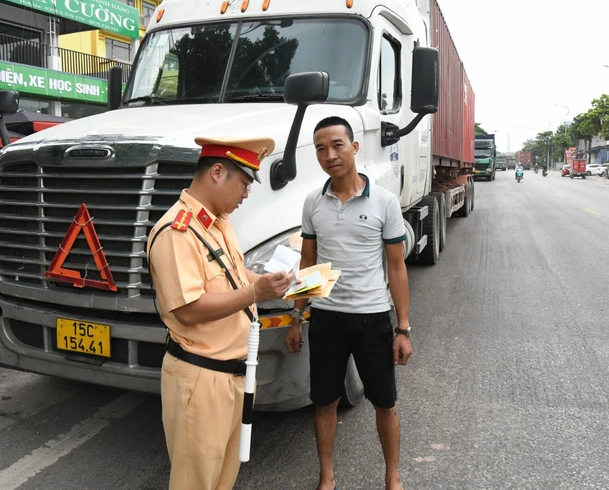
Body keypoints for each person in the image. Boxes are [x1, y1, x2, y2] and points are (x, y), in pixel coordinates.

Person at [148, 134, 295, 490]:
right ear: (217, 172)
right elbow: (189, 309)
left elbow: (231, 270)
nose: (247, 194)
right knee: (195, 482)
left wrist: (265, 281)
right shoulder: (177, 232)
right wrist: (255, 292)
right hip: (201, 380)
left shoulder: (216, 221)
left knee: (223, 479)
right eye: (244, 183)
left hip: (234, 375)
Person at [284, 116, 412, 490]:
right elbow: (309, 263)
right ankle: (326, 477)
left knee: (384, 403)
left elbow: (397, 267)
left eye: (337, 145)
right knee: (324, 402)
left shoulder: (384, 202)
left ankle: (392, 475)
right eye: (321, 148)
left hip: (372, 319)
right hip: (326, 319)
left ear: (355, 148)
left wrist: (402, 328)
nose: (330, 155)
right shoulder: (313, 202)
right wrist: (297, 317)